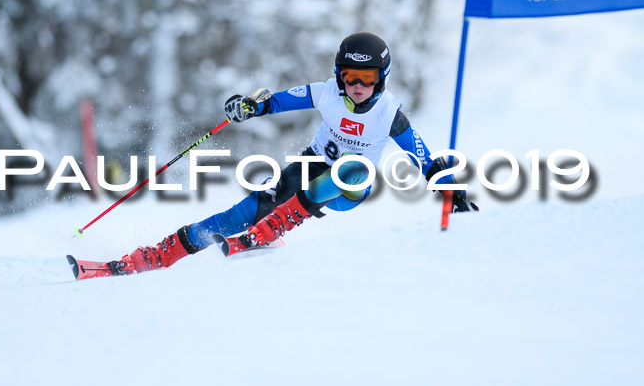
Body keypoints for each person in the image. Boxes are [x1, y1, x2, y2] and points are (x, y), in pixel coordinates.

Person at [106, 32, 478, 275]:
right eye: (350, 75)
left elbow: (423, 158)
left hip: (350, 185)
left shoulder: (389, 114)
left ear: (382, 78)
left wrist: (447, 186)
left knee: (351, 168)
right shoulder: (325, 92)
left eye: (368, 77)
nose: (358, 85)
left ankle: (270, 230)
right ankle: (160, 254)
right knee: (246, 210)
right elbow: (274, 103)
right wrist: (246, 107)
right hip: (311, 164)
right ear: (338, 75)